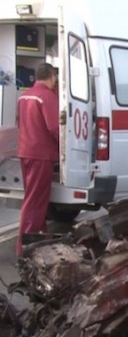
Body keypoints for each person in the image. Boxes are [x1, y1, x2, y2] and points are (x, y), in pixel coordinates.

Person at [16, 62, 59, 255]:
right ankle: (24, 248)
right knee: (35, 201)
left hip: (26, 152)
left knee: (35, 199)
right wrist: (67, 148)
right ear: (51, 77)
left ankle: (41, 239)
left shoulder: (24, 96)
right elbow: (54, 128)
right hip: (41, 155)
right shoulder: (47, 97)